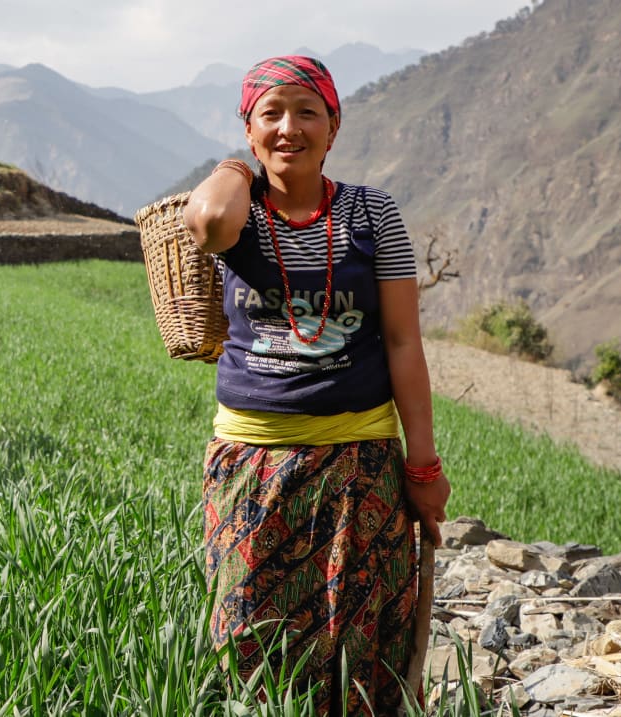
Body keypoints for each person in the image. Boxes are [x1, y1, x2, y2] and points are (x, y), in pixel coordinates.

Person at [182, 55, 451, 714]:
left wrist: (422, 464)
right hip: (253, 465)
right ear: (247, 130)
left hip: (361, 465)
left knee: (359, 652)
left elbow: (402, 343)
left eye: (307, 111)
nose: (289, 128)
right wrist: (235, 167)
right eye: (269, 114)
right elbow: (208, 223)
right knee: (245, 642)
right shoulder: (239, 213)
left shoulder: (371, 215)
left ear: (334, 125)